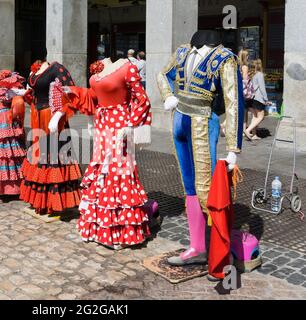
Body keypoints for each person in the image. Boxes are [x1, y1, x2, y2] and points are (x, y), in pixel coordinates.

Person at [157, 30, 244, 272]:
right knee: (189, 186)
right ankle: (197, 247)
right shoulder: (184, 51)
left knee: (207, 188)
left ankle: (218, 251)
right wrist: (167, 95)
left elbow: (233, 101)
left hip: (203, 121)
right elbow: (163, 74)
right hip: (180, 120)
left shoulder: (225, 58)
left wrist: (233, 148)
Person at [48, 57, 155, 249]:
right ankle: (100, 227)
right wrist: (72, 94)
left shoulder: (127, 67)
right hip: (102, 124)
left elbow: (142, 99)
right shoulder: (100, 68)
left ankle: (121, 231)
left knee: (119, 172)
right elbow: (93, 96)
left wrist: (131, 124)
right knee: (101, 171)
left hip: (121, 125)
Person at [14, 48, 82, 216]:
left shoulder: (57, 68)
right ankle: (40, 201)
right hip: (37, 117)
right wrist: (23, 94)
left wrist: (58, 115)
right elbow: (36, 92)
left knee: (53, 156)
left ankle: (54, 202)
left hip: (50, 119)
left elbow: (72, 93)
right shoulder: (36, 70)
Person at [245, 59, 270, 141]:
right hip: (258, 98)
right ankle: (248, 130)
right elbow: (262, 88)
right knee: (261, 116)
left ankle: (254, 134)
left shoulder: (251, 74)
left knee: (255, 116)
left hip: (251, 99)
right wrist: (266, 99)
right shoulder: (259, 74)